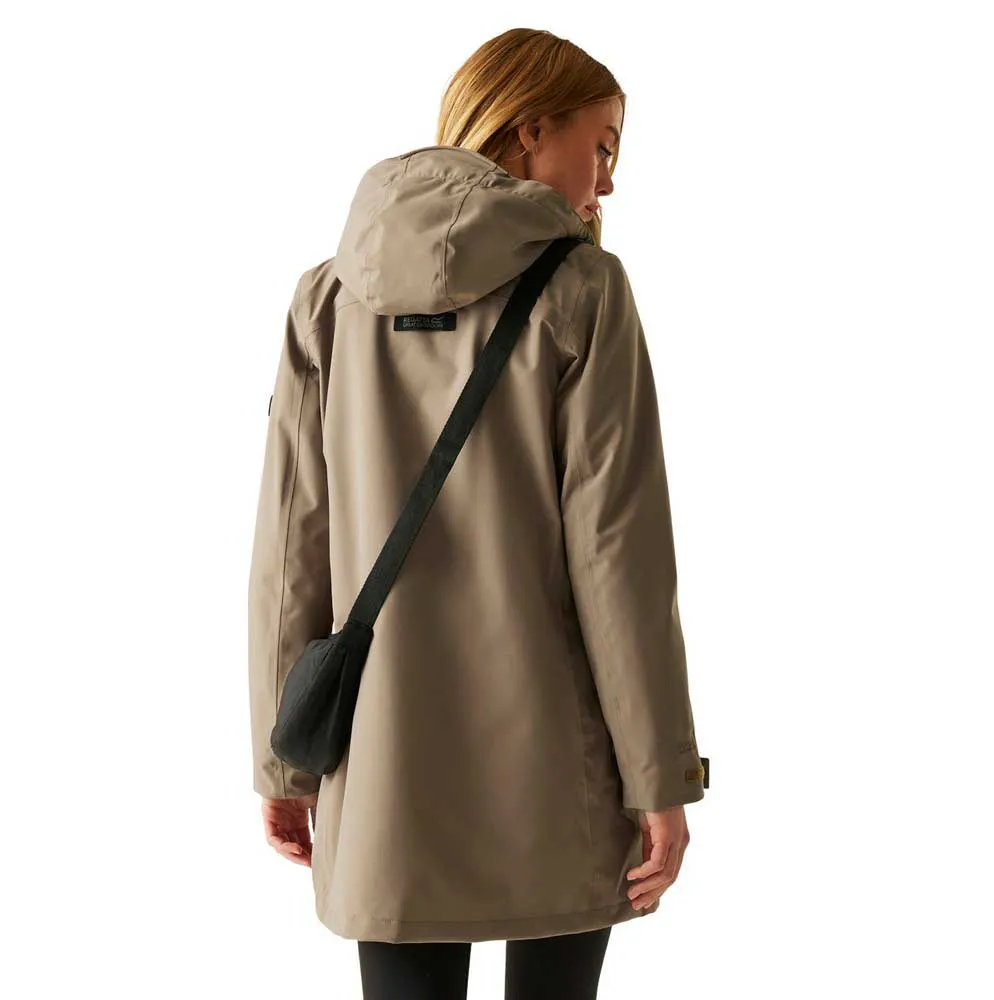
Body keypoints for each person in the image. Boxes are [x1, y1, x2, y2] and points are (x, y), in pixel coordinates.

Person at [247, 26, 708, 1000]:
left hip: (381, 761)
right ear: (530, 129)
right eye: (602, 145)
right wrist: (658, 776)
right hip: (561, 765)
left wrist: (280, 763)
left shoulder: (327, 297)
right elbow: (617, 555)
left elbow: (291, 548)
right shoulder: (584, 290)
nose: (609, 180)